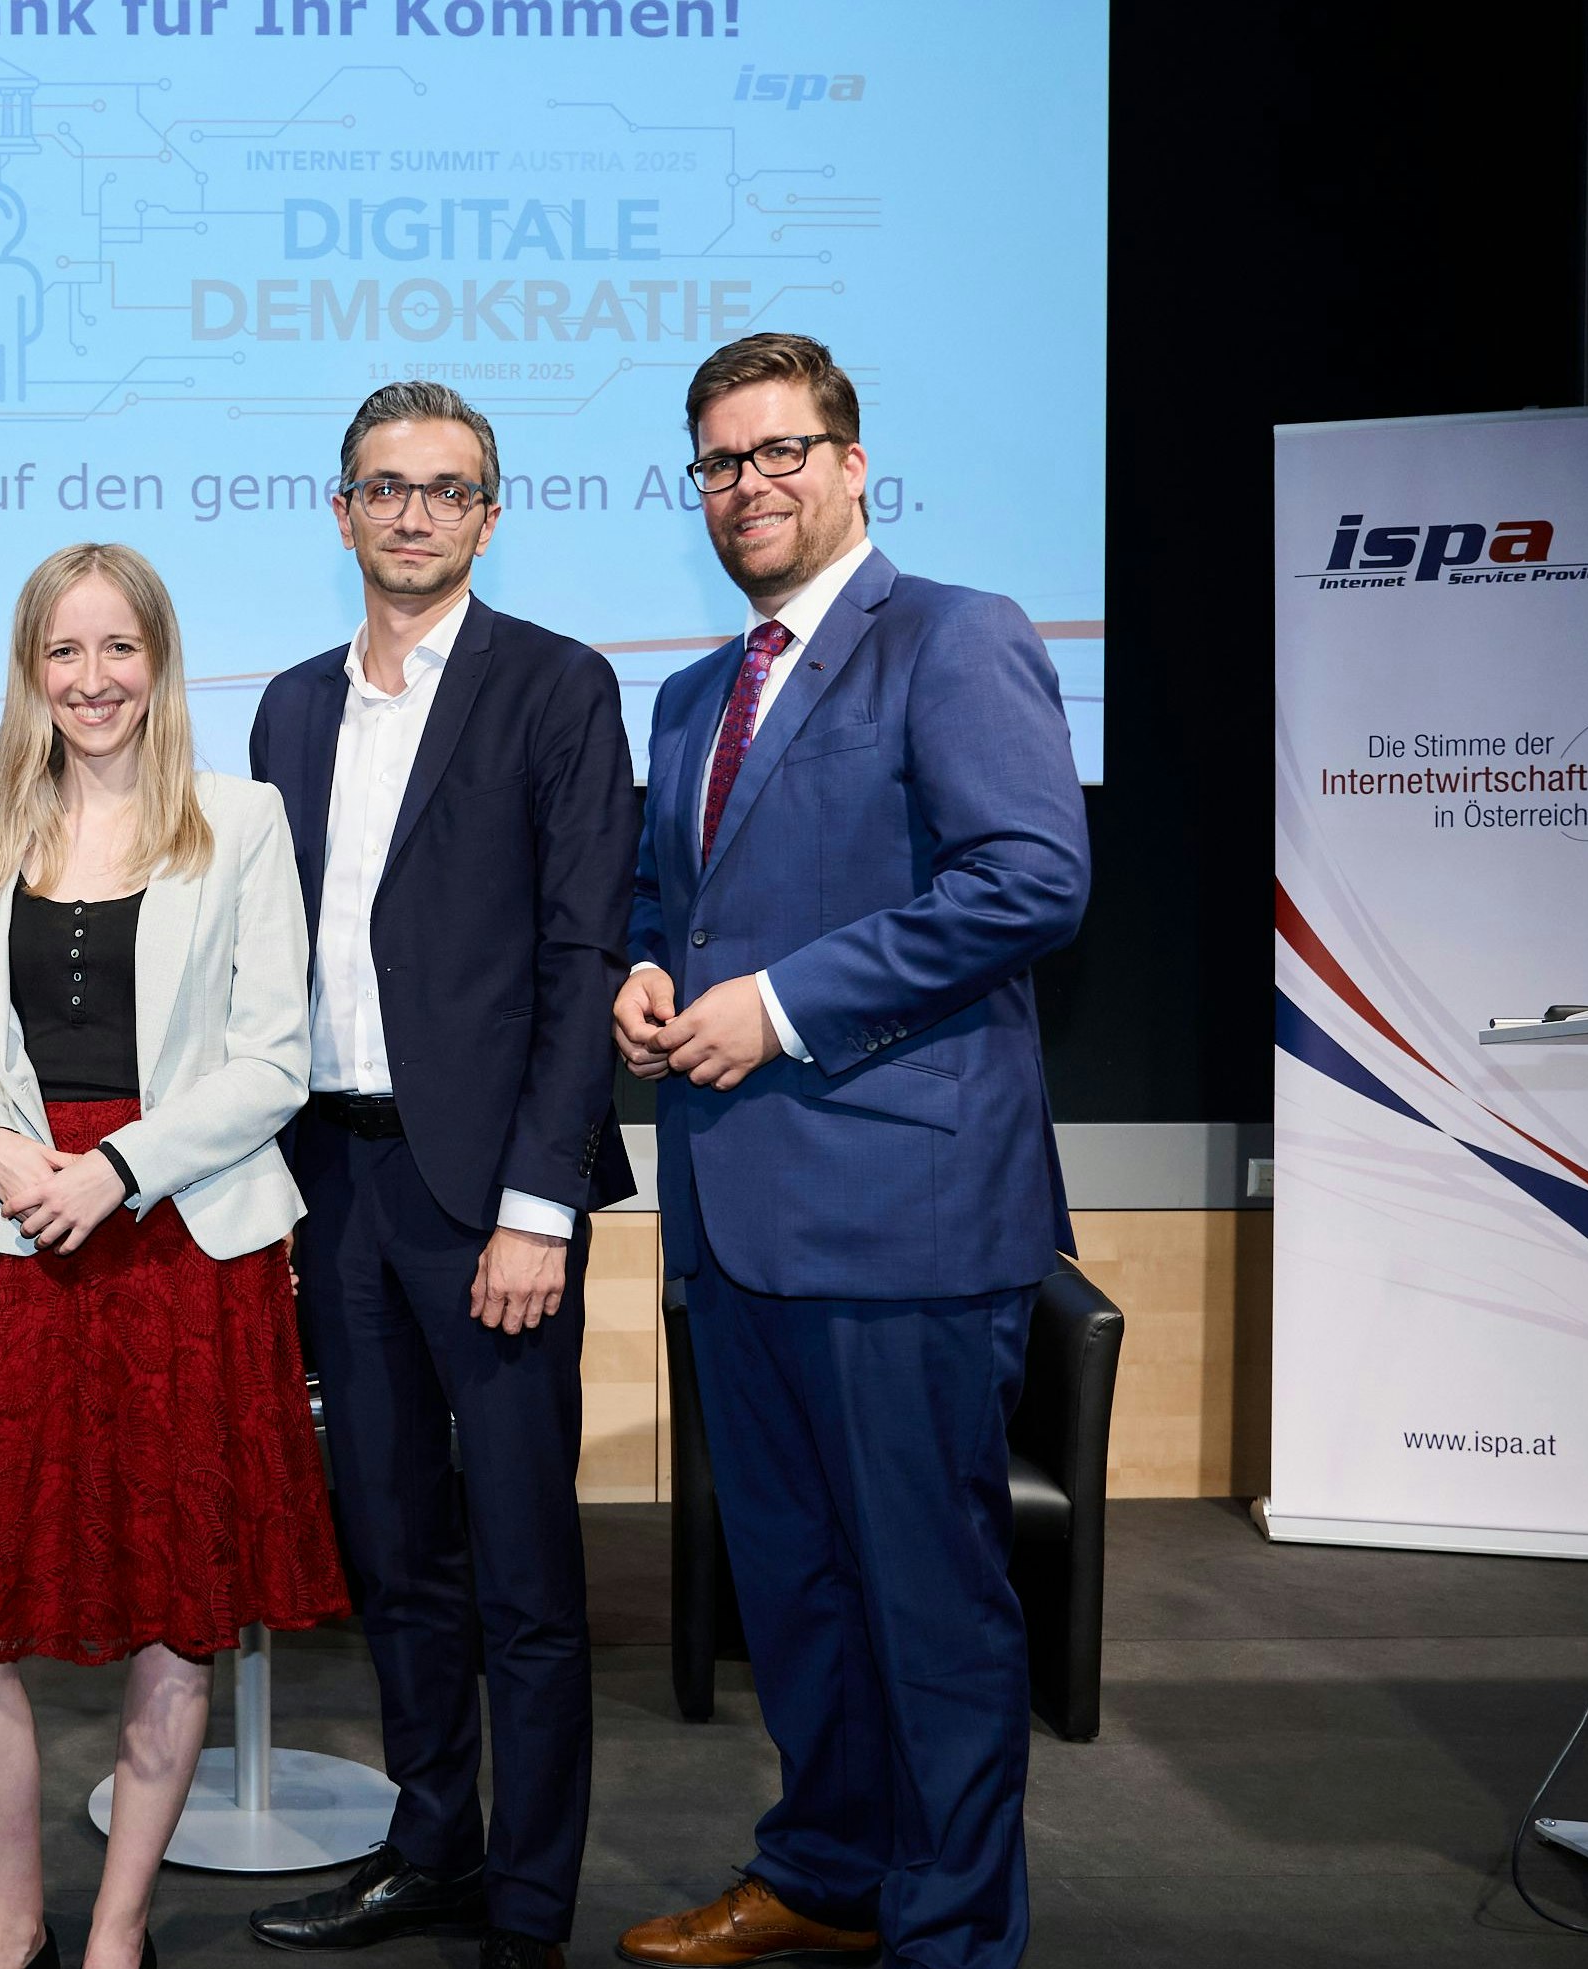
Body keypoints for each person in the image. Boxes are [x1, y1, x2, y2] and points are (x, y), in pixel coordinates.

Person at [610, 332, 1089, 1969]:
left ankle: (955, 1934)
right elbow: (662, 896)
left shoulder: (953, 638)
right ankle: (825, 1871)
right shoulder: (691, 694)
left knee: (930, 1608)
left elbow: (1031, 875)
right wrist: (647, 965)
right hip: (735, 1221)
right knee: (800, 1592)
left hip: (906, 1220)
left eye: (780, 451)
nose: (750, 485)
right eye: (722, 463)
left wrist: (784, 1005)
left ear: (853, 461)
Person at [0, 543, 349, 1969]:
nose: (93, 680)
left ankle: (113, 1930)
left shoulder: (243, 817)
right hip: (20, 1239)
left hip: (183, 1243)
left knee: (176, 1606)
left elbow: (280, 1056)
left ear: (160, 659)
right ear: (31, 669)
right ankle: (10, 1924)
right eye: (64, 652)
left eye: (120, 650)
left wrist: (120, 1167)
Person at [243, 382, 642, 1969]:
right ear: (339, 509)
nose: (414, 513)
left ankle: (530, 1903)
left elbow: (577, 956)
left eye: (448, 490)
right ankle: (431, 1849)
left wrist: (540, 1204)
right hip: (332, 1185)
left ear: (489, 513)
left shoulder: (557, 687)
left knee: (528, 1571)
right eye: (386, 488)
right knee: (393, 1546)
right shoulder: (283, 706)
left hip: (491, 1204)